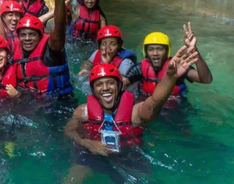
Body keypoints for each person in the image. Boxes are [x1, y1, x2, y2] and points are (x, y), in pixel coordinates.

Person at [64, 45, 199, 183]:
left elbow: (154, 102)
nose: (105, 88)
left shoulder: (134, 112)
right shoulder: (83, 111)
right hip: (93, 154)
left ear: (119, 86)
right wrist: (86, 142)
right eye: (99, 84)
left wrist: (170, 77)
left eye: (110, 83)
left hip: (129, 157)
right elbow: (69, 130)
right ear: (93, 90)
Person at [12, 0, 73, 98]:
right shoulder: (16, 50)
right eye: (23, 35)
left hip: (56, 104)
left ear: (40, 35)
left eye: (32, 35)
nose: (27, 38)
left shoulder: (51, 51)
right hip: (29, 102)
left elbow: (59, 27)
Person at [124, 23, 213, 99]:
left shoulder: (178, 67)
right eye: (151, 49)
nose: (155, 53)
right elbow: (122, 84)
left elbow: (206, 79)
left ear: (167, 51)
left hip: (175, 108)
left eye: (159, 49)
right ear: (146, 52)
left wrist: (193, 49)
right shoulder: (139, 68)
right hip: (148, 106)